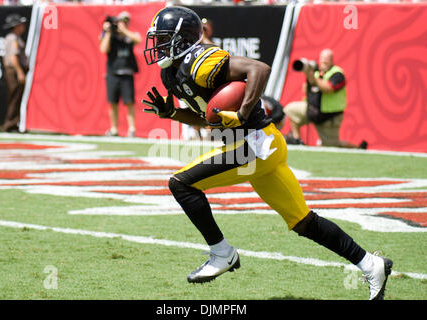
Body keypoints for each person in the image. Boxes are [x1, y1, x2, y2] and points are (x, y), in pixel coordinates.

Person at [142, 6, 392, 300]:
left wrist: (244, 112)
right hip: (260, 148)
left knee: (181, 183)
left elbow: (258, 69)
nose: (156, 44)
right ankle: (371, 264)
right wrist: (172, 113)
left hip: (256, 145)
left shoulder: (202, 61)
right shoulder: (174, 74)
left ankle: (222, 253)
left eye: (162, 38)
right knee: (303, 221)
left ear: (181, 39)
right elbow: (210, 117)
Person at [284, 49, 367, 149]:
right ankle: (297, 140)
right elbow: (306, 89)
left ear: (332, 60)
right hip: (313, 110)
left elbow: (328, 89)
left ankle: (358, 148)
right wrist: (307, 73)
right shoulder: (316, 73)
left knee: (333, 145)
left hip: (328, 117)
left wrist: (312, 77)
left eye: (326, 59)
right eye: (322, 58)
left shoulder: (337, 74)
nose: (323, 61)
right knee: (291, 109)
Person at [100, 11, 141, 137]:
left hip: (127, 72)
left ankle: (132, 129)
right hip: (112, 73)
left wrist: (124, 31)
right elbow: (103, 49)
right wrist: (108, 32)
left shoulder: (129, 35)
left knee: (129, 102)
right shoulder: (110, 35)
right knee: (113, 102)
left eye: (126, 21)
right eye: (121, 21)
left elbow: (138, 39)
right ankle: (114, 129)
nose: (123, 23)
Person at [3, 13, 28, 133]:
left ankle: (13, 123)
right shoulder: (13, 38)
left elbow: (4, 58)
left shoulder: (12, 38)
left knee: (16, 97)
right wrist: (19, 72)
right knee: (15, 97)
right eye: (20, 24)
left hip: (12, 71)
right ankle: (10, 124)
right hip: (14, 71)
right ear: (16, 26)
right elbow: (13, 57)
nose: (23, 26)